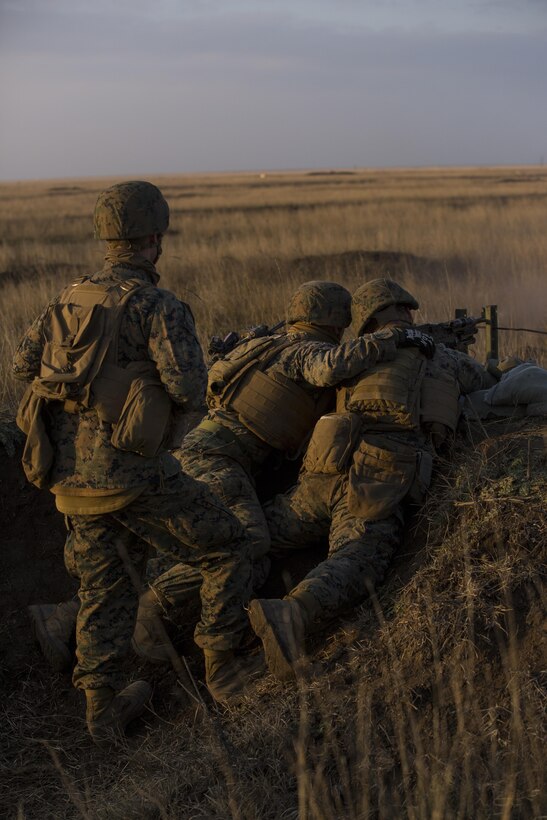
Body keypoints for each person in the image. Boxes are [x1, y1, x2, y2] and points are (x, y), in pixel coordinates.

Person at [28, 280, 436, 666]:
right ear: (333, 321)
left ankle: (65, 617)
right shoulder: (302, 351)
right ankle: (194, 635)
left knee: (184, 546)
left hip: (198, 453)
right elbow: (328, 369)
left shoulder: (261, 343)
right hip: (220, 461)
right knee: (247, 545)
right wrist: (393, 337)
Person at [14, 181, 257, 745]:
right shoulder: (157, 305)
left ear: (106, 237)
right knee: (228, 545)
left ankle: (103, 713)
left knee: (103, 588)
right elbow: (189, 385)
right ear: (155, 238)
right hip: (134, 476)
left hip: (70, 481)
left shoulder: (67, 298)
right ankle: (223, 669)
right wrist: (132, 398)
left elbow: (25, 364)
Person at [247, 278, 492, 681]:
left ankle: (169, 595)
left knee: (260, 535)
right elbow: (485, 380)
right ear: (402, 313)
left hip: (323, 469)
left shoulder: (349, 354)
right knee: (360, 558)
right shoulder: (437, 357)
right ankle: (291, 613)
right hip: (376, 477)